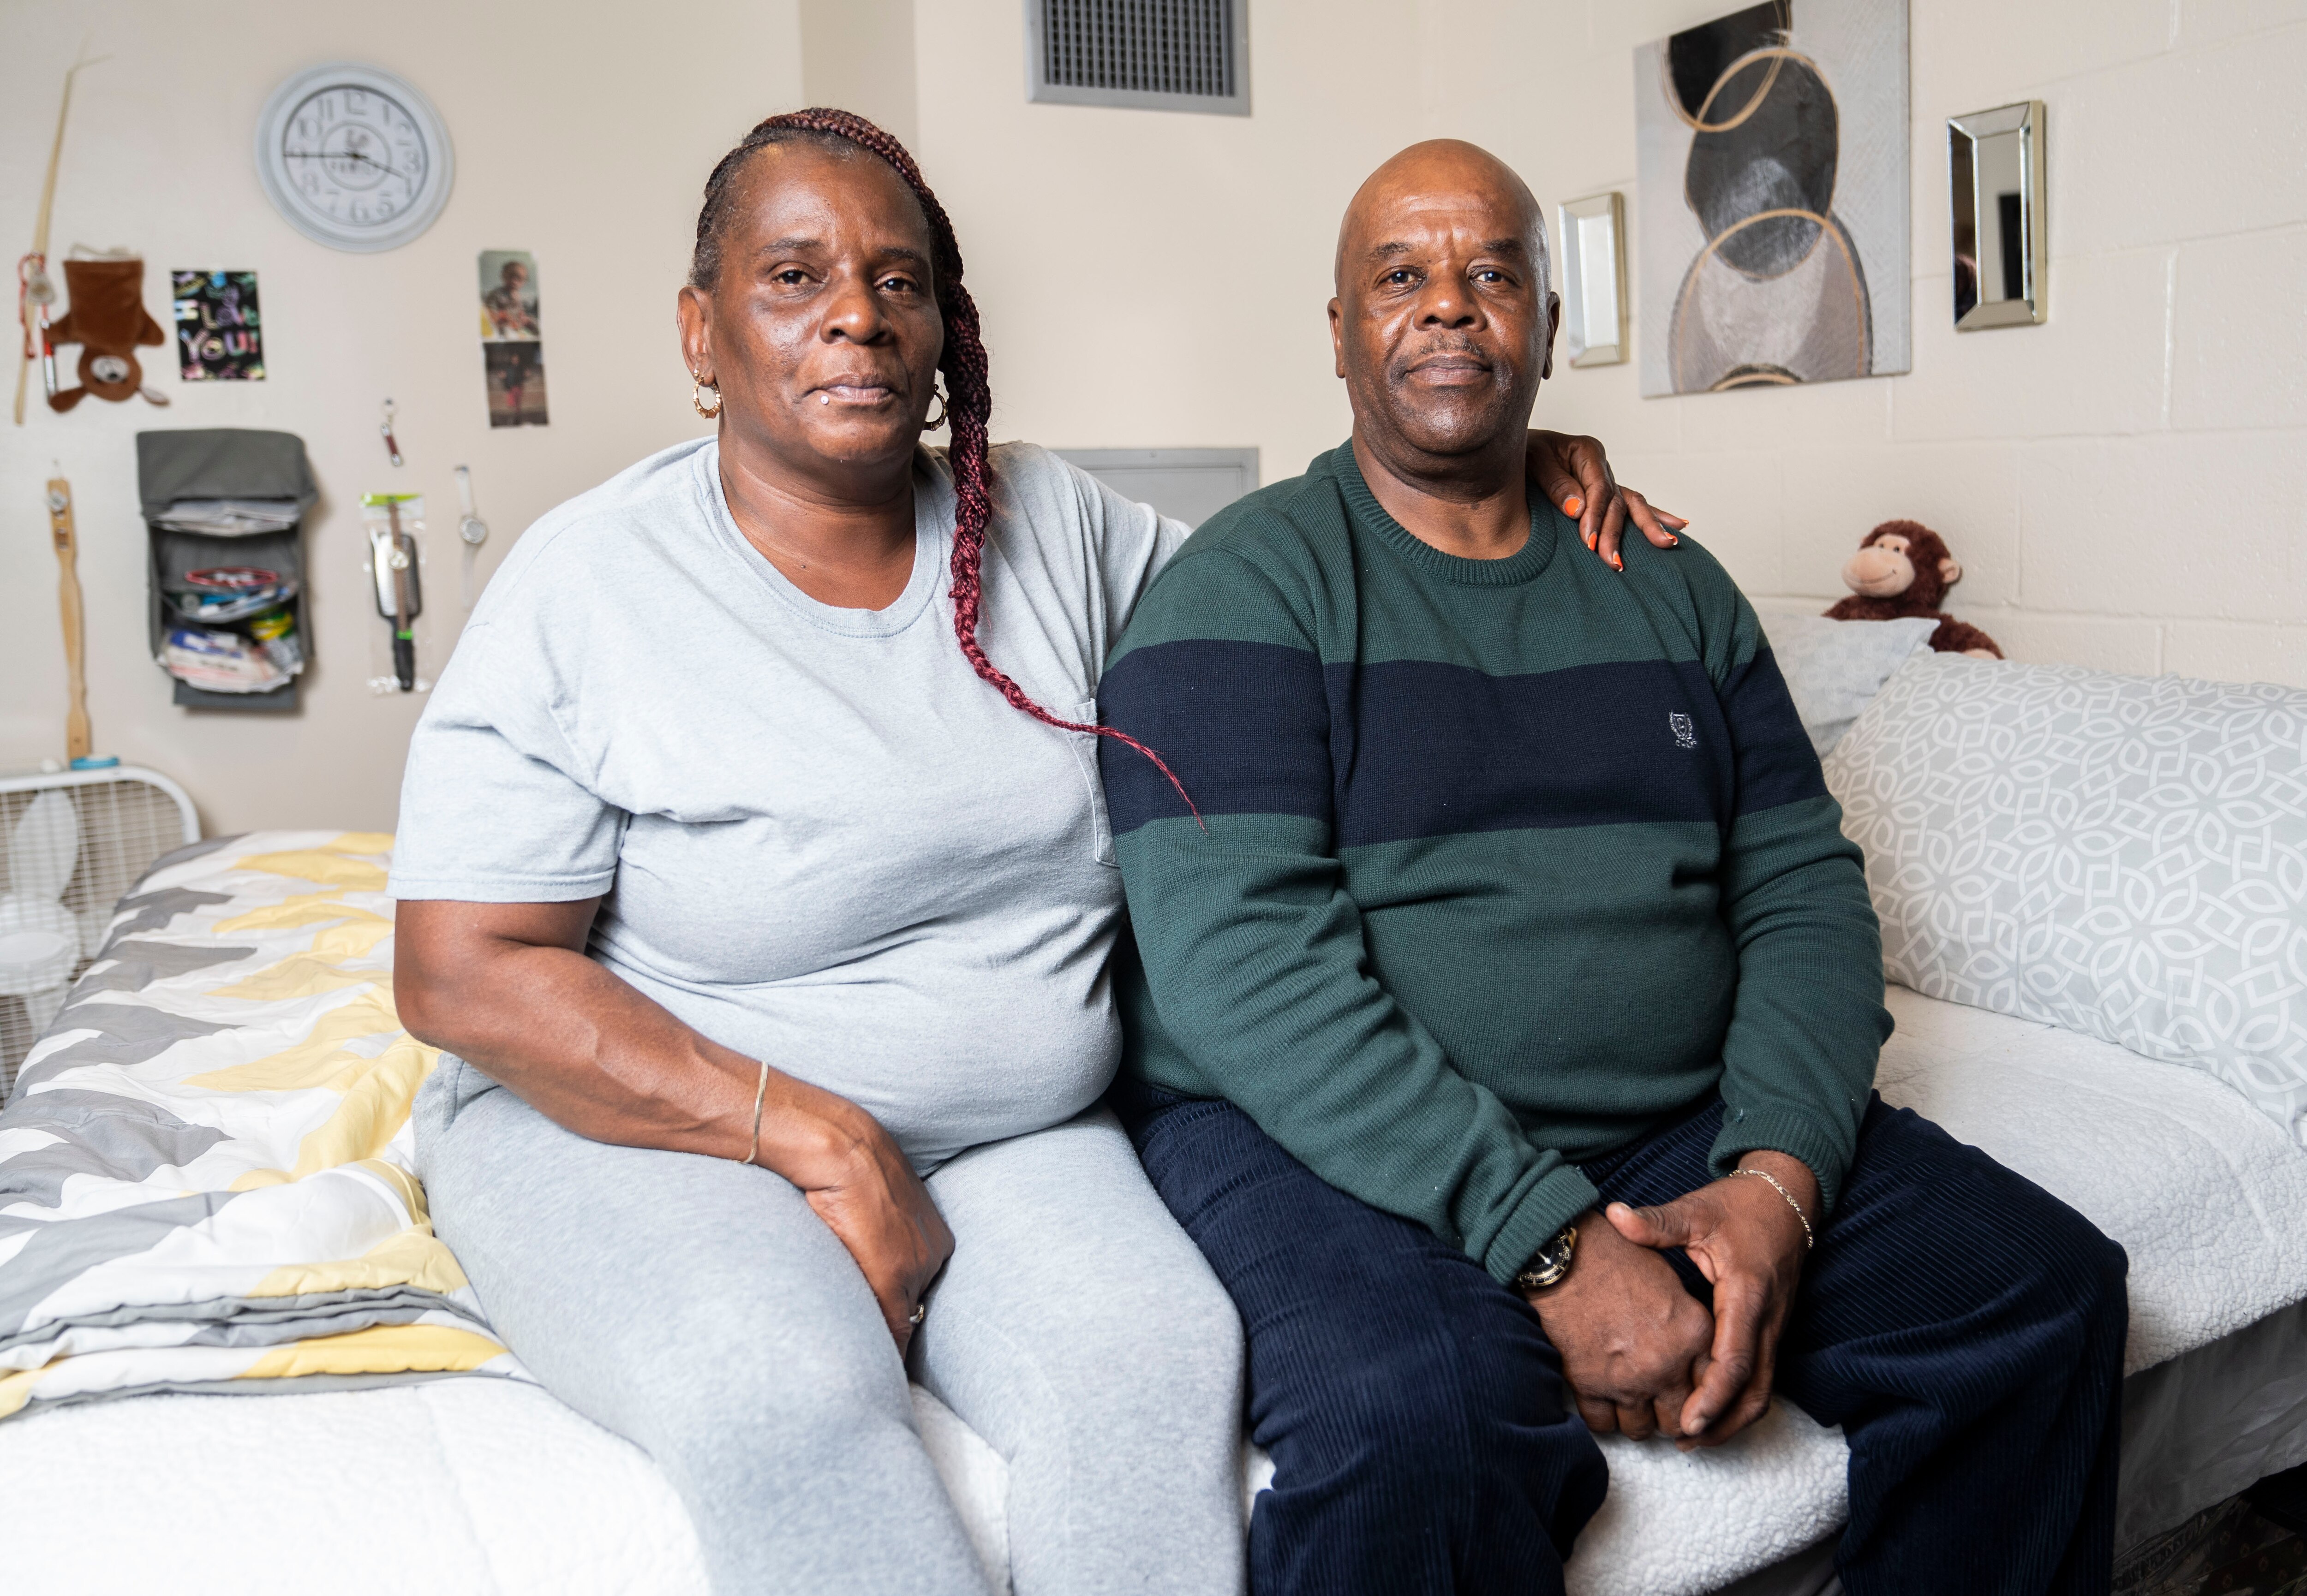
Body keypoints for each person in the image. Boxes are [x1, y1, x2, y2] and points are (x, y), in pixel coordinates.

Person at [390, 110, 1672, 1596]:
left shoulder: (1055, 529)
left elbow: (1306, 598)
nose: (857, 316)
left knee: (1157, 1366)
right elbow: (462, 970)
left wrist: (1496, 465)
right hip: (648, 1121)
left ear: (944, 326)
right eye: (795, 277)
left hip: (1017, 1135)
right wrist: (816, 1133)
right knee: (785, 1397)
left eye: (898, 279)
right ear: (703, 328)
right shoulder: (588, 583)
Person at [1097, 139, 2131, 1596]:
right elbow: (1242, 972)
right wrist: (1553, 1247)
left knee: (2042, 1293)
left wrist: (1777, 1178)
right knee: (1422, 1425)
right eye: (1401, 277)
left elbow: (1802, 894)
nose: (1449, 307)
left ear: (1546, 325)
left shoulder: (1672, 586)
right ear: (1337, 333)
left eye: (1493, 273)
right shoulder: (1242, 588)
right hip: (1321, 1141)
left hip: (1667, 1119)